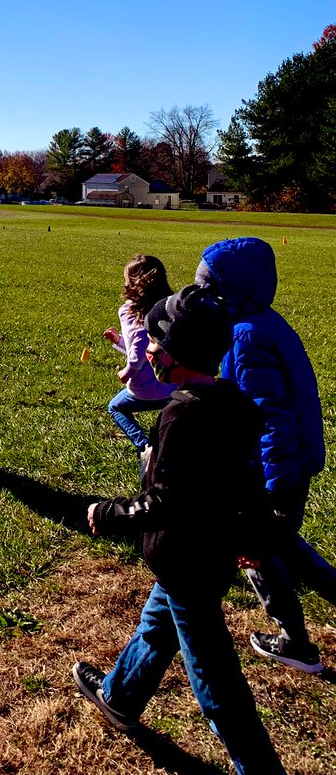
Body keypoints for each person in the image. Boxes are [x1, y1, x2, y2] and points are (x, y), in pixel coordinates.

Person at [73, 287, 286, 775]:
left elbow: (165, 501)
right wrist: (254, 537)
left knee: (215, 679)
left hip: (189, 559)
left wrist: (107, 514)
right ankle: (119, 697)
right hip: (197, 558)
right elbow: (249, 483)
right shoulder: (232, 403)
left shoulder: (181, 414)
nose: (146, 349)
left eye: (155, 342)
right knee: (155, 626)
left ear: (177, 353)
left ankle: (258, 766)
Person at [196, 236, 335, 673]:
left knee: (257, 554)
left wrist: (274, 488)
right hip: (288, 465)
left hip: (272, 472)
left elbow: (270, 415)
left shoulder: (246, 336)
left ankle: (296, 642)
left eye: (208, 288)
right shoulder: (264, 322)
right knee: (286, 548)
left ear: (231, 290)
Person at [102, 255, 173, 455]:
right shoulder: (169, 308)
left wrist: (128, 370)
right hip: (172, 386)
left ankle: (145, 446)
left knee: (116, 407)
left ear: (133, 286)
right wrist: (119, 341)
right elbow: (143, 347)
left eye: (126, 282)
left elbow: (141, 342)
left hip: (146, 390)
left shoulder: (130, 312)